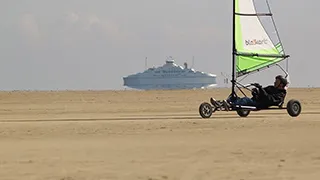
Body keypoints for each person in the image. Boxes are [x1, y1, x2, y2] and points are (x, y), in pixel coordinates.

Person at [211, 75, 288, 109]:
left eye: (277, 81)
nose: (275, 82)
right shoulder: (271, 87)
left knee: (245, 100)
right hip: (256, 100)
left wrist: (260, 89)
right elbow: (262, 92)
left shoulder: (280, 94)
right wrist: (256, 91)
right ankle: (220, 104)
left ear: (281, 84)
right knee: (234, 97)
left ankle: (229, 105)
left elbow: (269, 99)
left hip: (261, 104)